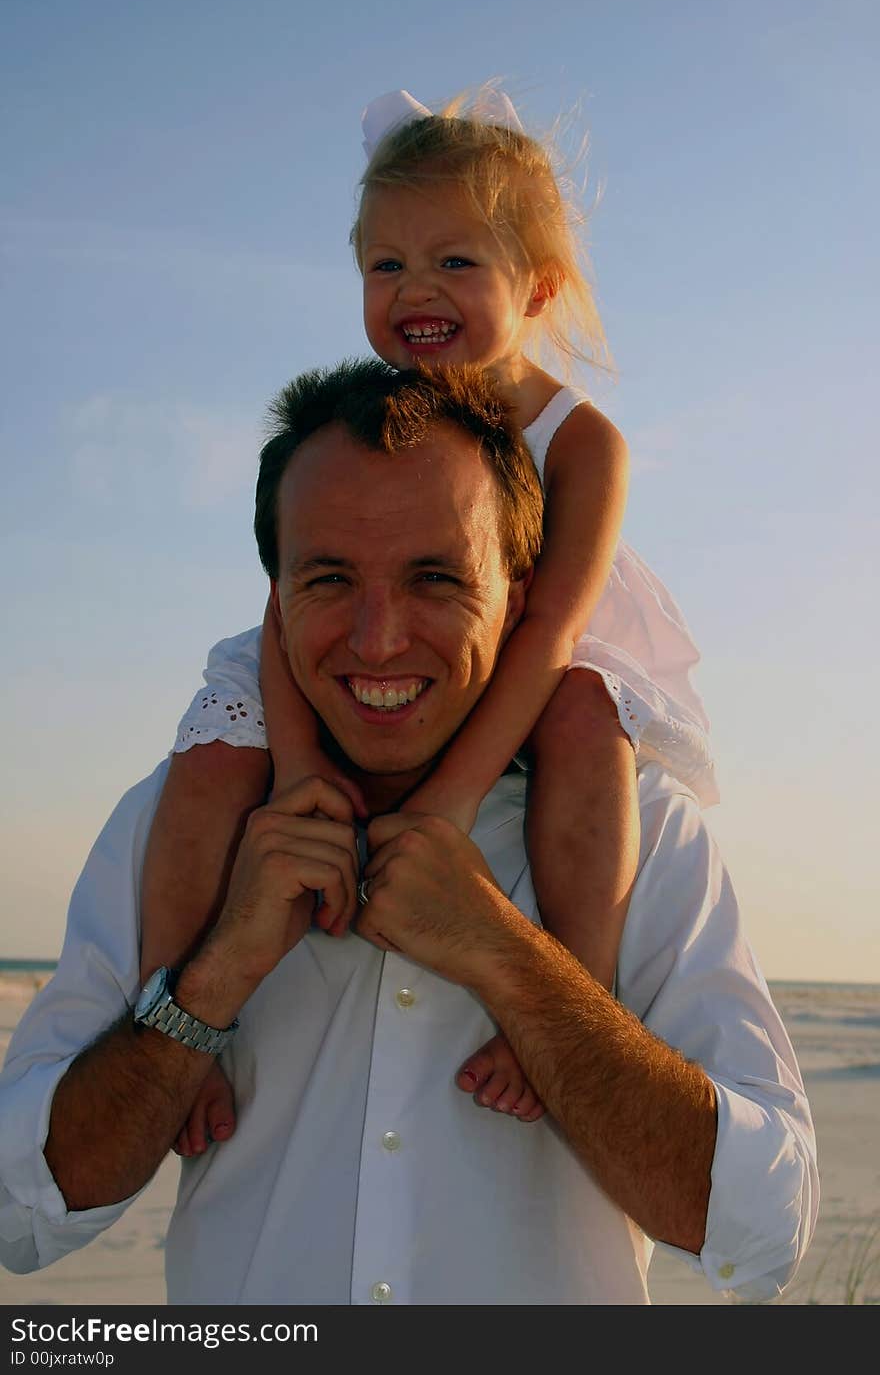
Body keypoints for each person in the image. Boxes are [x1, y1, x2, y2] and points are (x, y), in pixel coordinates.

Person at [0, 360, 817, 1305]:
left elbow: (765, 1235)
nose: (379, 638)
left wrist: (511, 960)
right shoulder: (178, 822)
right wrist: (211, 978)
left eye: (435, 578)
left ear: (518, 598)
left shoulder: (642, 832)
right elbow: (23, 1214)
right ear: (276, 602)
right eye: (330, 579)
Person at [141, 89, 720, 1154]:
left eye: (456, 263)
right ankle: (173, 1018)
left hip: (546, 634)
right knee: (215, 740)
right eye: (386, 265)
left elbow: (548, 629)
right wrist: (295, 766)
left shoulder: (579, 440)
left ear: (536, 284)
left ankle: (569, 991)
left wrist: (449, 803)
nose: (416, 292)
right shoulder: (367, 413)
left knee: (589, 715)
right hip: (408, 628)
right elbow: (291, 597)